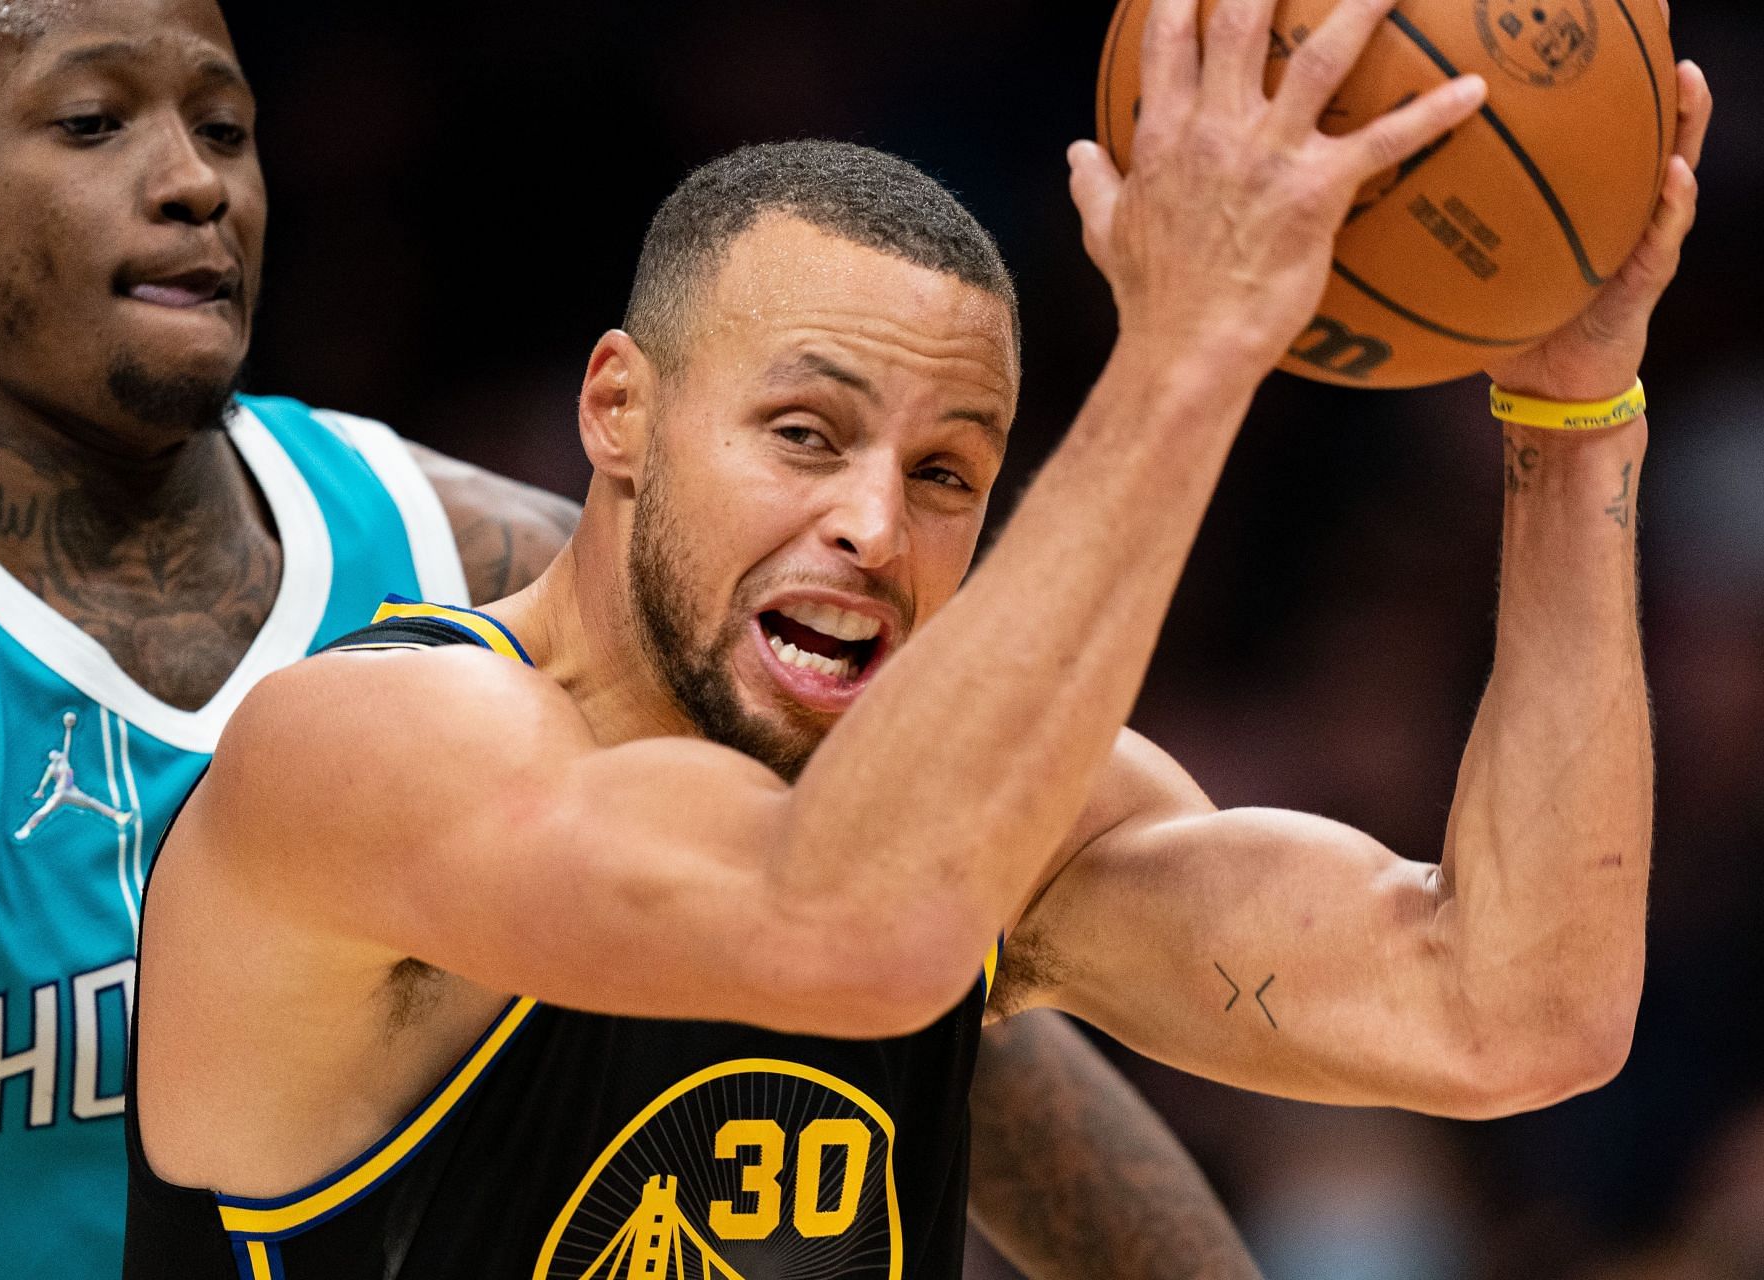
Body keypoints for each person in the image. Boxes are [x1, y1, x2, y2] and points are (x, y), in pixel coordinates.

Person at [124, 0, 1711, 1266]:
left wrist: (1572, 405)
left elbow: (1516, 1011)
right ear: (619, 409)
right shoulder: (373, 752)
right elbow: (833, 927)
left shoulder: (992, 831)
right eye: (807, 435)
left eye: (948, 473)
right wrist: (1196, 341)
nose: (877, 527)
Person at [0, 0, 1263, 1276]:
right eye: (94, 124)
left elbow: (917, 987)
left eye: (223, 125)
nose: (192, 180)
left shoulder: (470, 547)